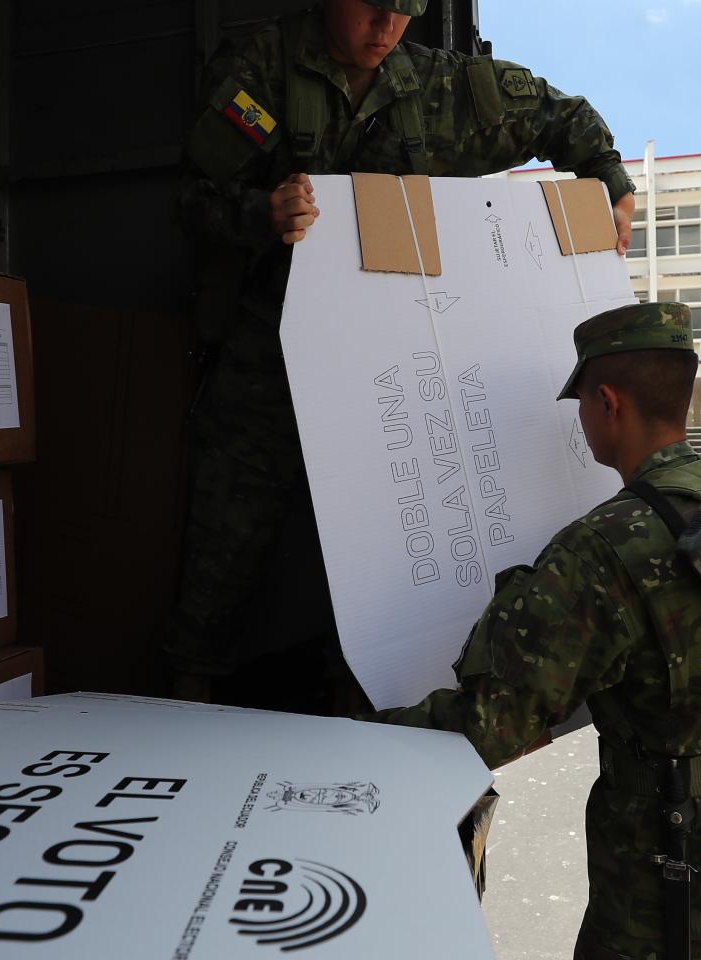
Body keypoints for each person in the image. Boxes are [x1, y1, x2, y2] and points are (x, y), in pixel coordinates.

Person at [170, 0, 637, 703]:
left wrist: (611, 180)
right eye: (371, 7)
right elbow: (191, 199)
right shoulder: (262, 70)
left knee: (390, 555)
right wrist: (260, 213)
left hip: (385, 372)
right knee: (222, 546)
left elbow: (562, 117)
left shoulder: (445, 88)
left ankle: (367, 717)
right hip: (268, 363)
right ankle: (186, 705)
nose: (386, 29)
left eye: (403, 11)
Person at [376, 302, 701, 960]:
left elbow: (490, 727)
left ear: (607, 402)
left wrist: (358, 730)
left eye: (581, 402)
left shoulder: (604, 547)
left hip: (675, 879)